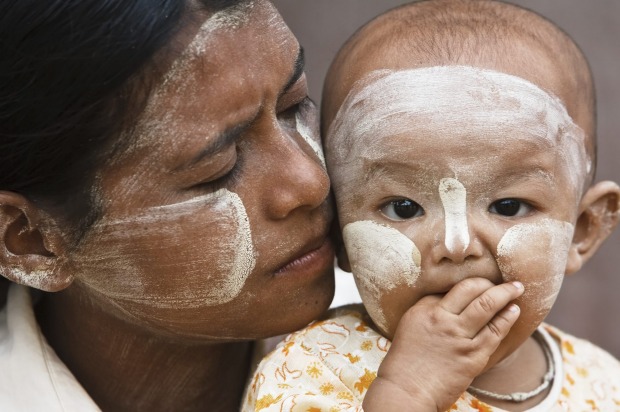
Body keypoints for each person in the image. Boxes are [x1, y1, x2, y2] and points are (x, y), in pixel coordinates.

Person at [243, 0, 620, 411]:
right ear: (340, 235)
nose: (456, 245)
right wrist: (409, 393)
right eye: (403, 207)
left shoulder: (604, 382)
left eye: (509, 206)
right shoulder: (314, 369)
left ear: (582, 231)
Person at [0, 0, 338, 410]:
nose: (312, 182)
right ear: (31, 241)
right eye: (219, 170)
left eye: (294, 104)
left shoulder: (418, 328)